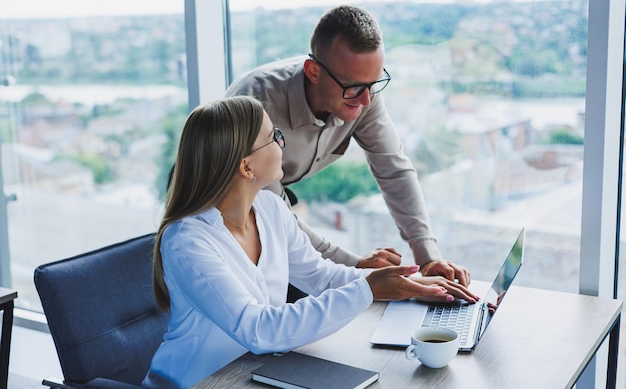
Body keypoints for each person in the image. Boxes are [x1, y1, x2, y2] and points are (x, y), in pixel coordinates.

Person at [143, 96, 477, 389]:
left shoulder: (270, 208)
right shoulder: (188, 242)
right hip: (198, 382)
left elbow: (320, 276)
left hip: (255, 373)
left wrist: (407, 284)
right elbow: (260, 330)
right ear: (246, 166)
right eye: (273, 137)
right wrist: (368, 290)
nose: (281, 142)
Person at [225, 5, 472, 286]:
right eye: (353, 87)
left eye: (374, 83)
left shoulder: (363, 94)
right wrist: (355, 266)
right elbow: (272, 213)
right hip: (226, 208)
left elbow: (394, 169)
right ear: (313, 71)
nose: (366, 100)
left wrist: (427, 255)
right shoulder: (257, 101)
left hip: (274, 200)